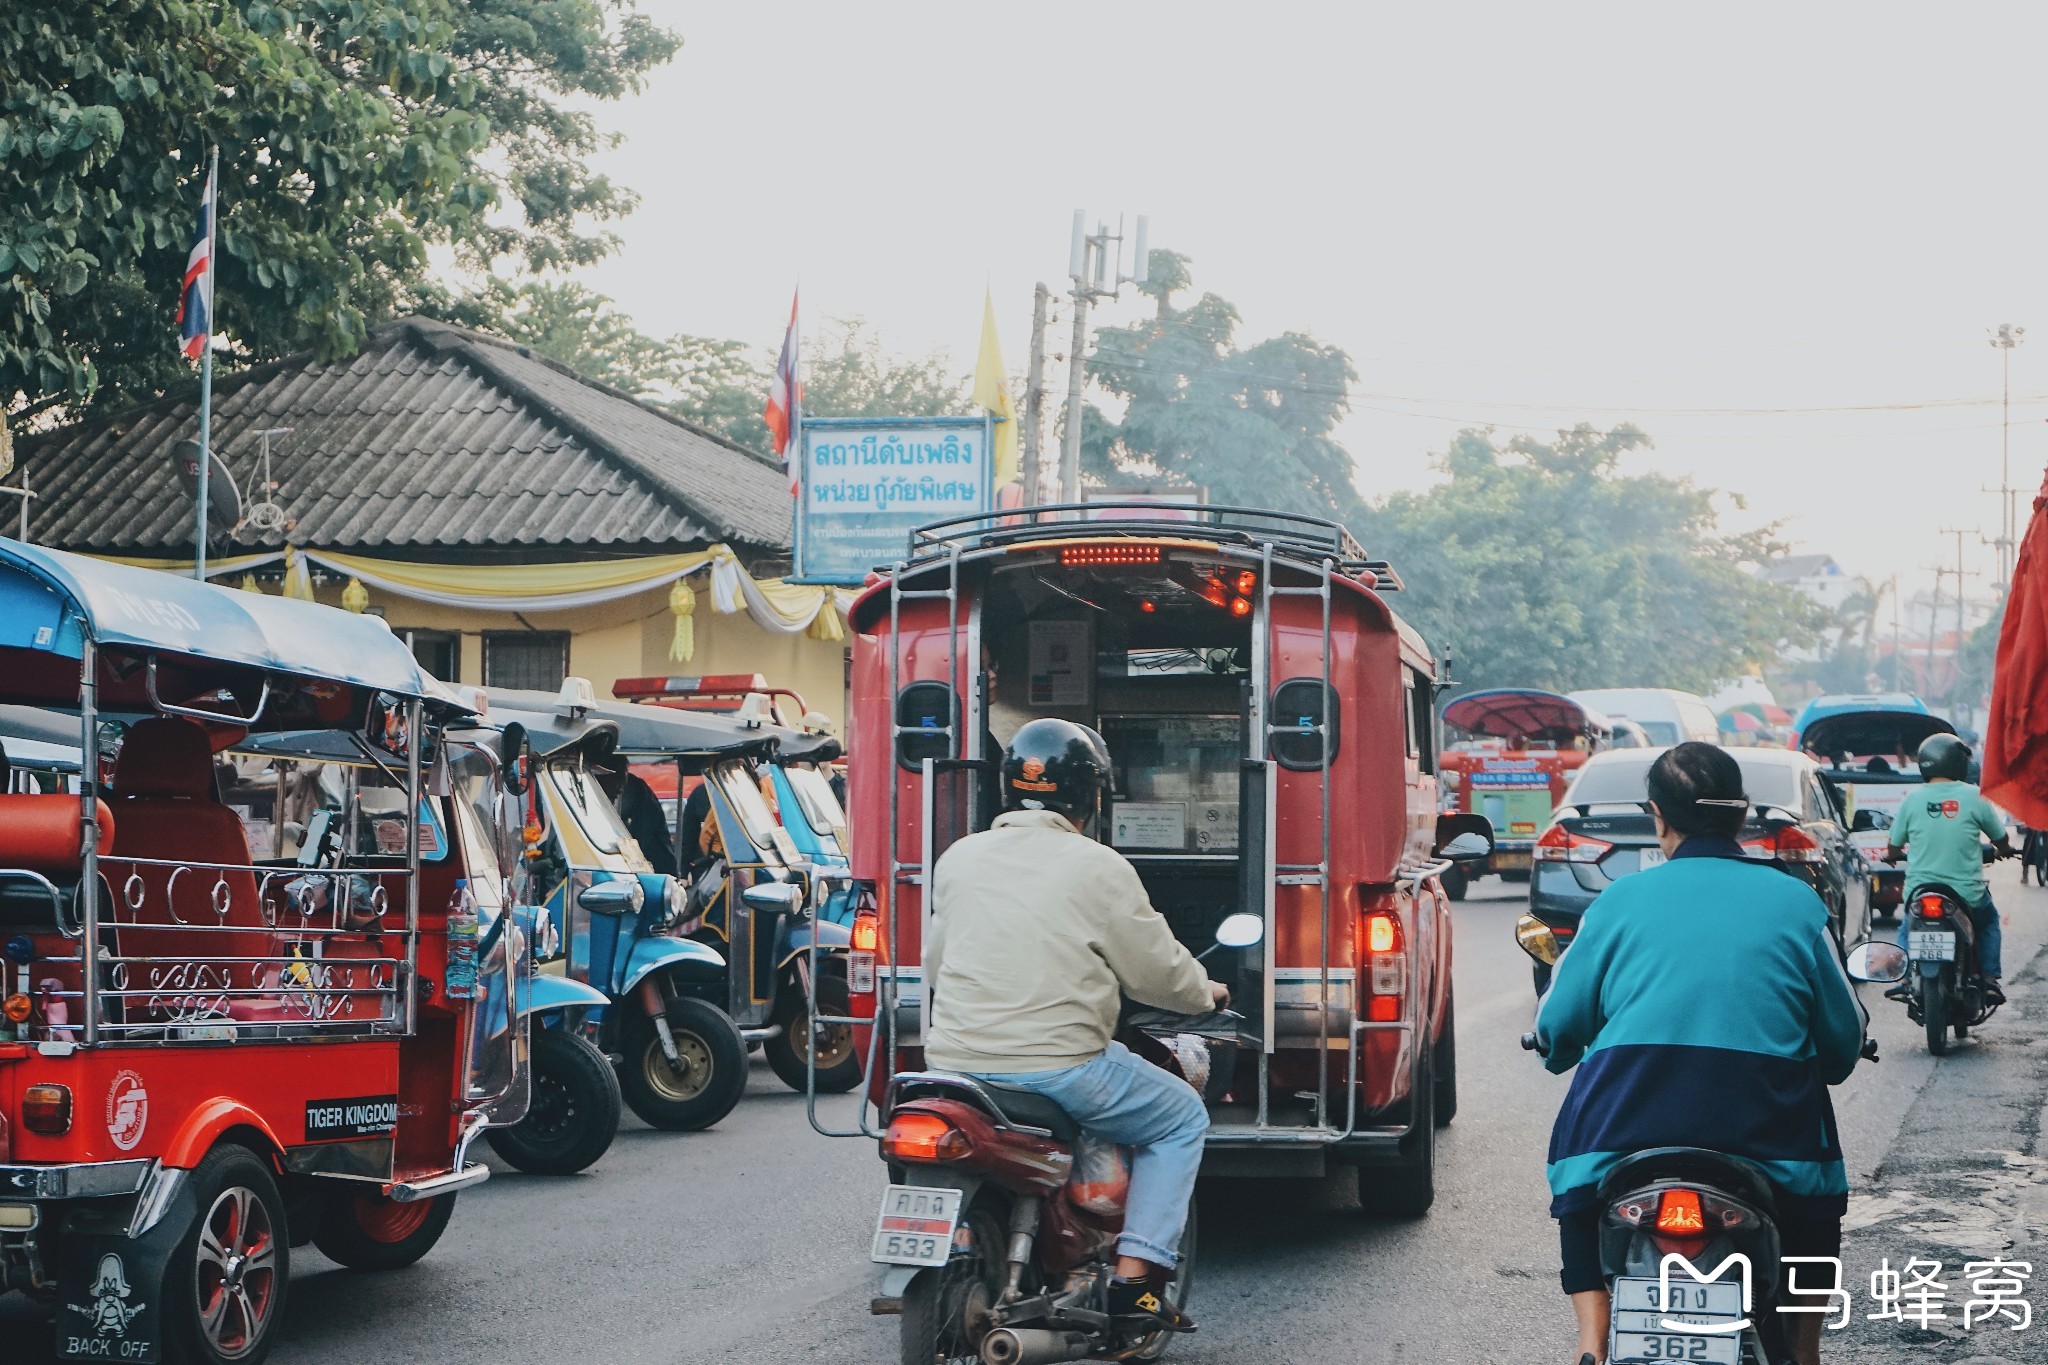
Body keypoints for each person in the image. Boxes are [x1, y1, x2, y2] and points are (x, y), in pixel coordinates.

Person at [1536, 742, 1865, 1365]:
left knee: (1581, 1196)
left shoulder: (1617, 902)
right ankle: (1803, 1353)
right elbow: (1842, 1039)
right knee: (1814, 1212)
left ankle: (1591, 1347)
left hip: (1625, 1127)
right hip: (1770, 1133)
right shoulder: (1796, 904)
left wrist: (1557, 1048)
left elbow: (1558, 1026)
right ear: (1741, 817)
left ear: (1658, 817)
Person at [924, 718, 1224, 1333]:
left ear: (1009, 790)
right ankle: (1137, 1288)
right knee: (1180, 1118)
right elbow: (1157, 974)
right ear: (1092, 798)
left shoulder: (958, 858)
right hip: (1060, 1066)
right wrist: (1207, 994)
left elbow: (936, 963)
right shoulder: (1099, 866)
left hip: (949, 1065)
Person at [1884, 733, 2014, 1004]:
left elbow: (1894, 845)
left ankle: (1906, 978)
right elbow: (2000, 838)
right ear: (1959, 763)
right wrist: (2003, 850)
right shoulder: (1975, 796)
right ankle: (1990, 980)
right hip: (1967, 896)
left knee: (1908, 925)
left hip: (1920, 893)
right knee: (1989, 923)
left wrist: (1892, 856)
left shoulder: (1912, 799)